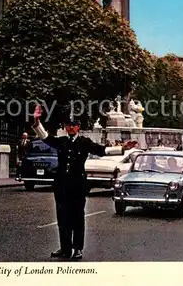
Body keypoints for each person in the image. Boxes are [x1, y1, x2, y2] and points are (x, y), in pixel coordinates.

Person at [31, 104, 124, 260]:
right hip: (61, 186)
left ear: (78, 127)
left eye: (74, 125)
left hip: (77, 186)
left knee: (77, 218)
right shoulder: (61, 142)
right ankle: (65, 248)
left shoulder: (84, 142)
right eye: (68, 125)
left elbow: (101, 150)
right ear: (65, 127)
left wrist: (122, 148)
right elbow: (45, 137)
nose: (71, 128)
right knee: (62, 218)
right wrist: (36, 121)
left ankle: (78, 248)